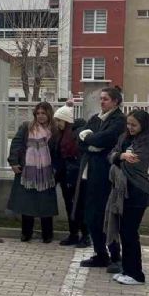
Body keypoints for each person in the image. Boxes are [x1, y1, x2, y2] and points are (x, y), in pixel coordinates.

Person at [77, 86, 127, 272]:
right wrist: (91, 142)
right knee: (91, 217)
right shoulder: (96, 118)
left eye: (105, 99)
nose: (102, 102)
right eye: (101, 99)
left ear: (115, 101)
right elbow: (79, 137)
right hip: (90, 175)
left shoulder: (119, 120)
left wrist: (90, 140)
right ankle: (100, 254)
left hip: (106, 176)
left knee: (108, 218)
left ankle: (115, 257)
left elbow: (104, 140)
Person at [107, 109, 149, 285]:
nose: (130, 128)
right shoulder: (124, 137)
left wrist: (118, 160)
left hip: (137, 191)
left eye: (134, 125)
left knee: (130, 232)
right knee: (123, 232)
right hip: (122, 192)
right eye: (128, 124)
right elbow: (111, 155)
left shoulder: (147, 140)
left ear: (143, 125)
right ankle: (127, 270)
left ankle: (136, 274)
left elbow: (135, 163)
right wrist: (121, 156)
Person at [7, 102, 59, 243]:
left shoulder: (54, 129)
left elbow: (58, 151)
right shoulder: (26, 127)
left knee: (45, 204)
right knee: (27, 203)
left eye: (43, 113)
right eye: (38, 113)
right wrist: (13, 162)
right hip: (27, 172)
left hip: (47, 173)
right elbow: (16, 144)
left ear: (49, 114)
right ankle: (26, 233)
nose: (40, 116)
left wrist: (56, 168)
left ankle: (47, 234)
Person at [53, 104, 90, 247]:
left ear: (66, 121)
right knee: (70, 207)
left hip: (76, 178)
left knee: (80, 207)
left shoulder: (75, 136)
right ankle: (73, 234)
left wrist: (71, 177)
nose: (57, 124)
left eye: (59, 121)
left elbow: (76, 159)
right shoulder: (61, 136)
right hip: (65, 177)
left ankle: (85, 235)